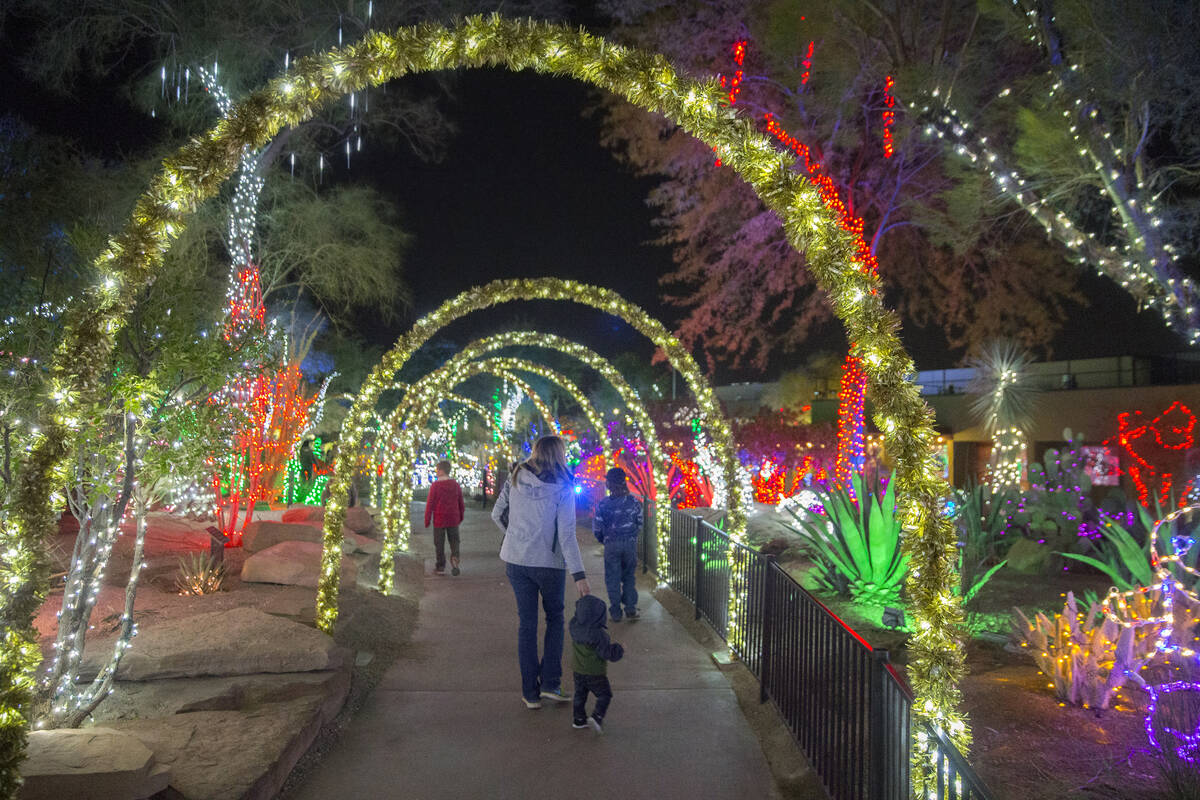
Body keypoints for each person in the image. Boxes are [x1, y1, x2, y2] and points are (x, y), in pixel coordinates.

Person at [492, 436, 590, 709]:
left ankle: (530, 693)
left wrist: (514, 537)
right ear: (560, 454)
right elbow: (567, 535)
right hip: (548, 564)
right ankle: (550, 683)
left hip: (517, 561)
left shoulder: (515, 476)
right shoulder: (564, 488)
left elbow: (497, 513)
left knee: (527, 625)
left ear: (535, 452)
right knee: (555, 620)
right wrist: (579, 575)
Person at [568, 594, 624, 734]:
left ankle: (578, 719)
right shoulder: (600, 635)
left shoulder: (574, 627)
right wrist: (619, 648)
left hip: (578, 670)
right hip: (595, 672)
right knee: (605, 695)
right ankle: (597, 716)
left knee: (580, 694)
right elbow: (607, 653)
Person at [593, 467, 642, 622]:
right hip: (629, 544)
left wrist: (604, 540)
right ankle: (630, 608)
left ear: (609, 484)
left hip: (611, 544)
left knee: (612, 577)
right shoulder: (634, 502)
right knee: (628, 576)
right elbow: (639, 523)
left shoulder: (603, 504)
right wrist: (632, 536)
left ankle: (615, 611)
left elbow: (598, 527)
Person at [424, 460, 465, 576]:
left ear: (441, 471)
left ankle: (440, 566)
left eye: (437, 470)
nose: (436, 472)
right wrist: (460, 516)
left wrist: (427, 519)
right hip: (453, 518)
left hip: (439, 519)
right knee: (454, 541)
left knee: (439, 543)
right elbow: (460, 502)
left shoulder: (435, 486)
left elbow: (430, 504)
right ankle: (455, 557)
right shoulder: (455, 485)